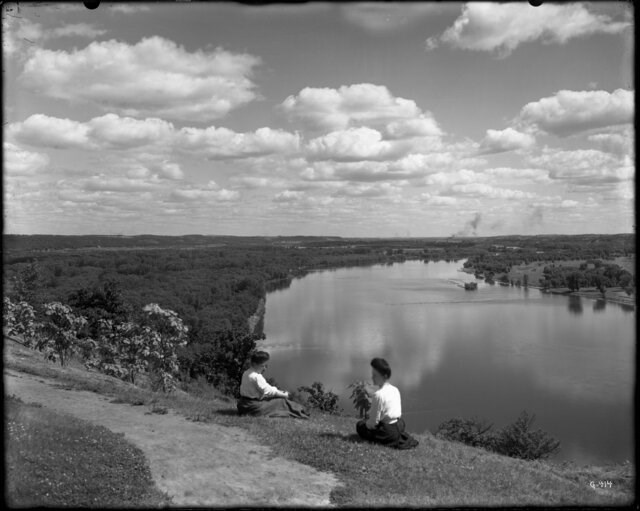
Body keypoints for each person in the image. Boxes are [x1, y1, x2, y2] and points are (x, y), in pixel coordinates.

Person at [356, 358, 419, 449]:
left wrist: (365, 424)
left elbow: (373, 422)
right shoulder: (395, 389)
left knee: (360, 425)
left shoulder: (378, 395)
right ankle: (396, 435)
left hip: (386, 431)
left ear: (384, 376)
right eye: (373, 375)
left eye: (375, 375)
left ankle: (388, 437)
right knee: (399, 424)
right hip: (398, 425)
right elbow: (398, 415)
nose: (372, 378)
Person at [237, 350, 309, 419]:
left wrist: (277, 391)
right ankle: (303, 411)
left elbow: (265, 389)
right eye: (263, 366)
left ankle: (301, 411)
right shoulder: (256, 376)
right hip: (252, 407)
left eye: (266, 366)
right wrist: (284, 395)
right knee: (282, 402)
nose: (265, 368)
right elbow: (269, 391)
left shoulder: (246, 373)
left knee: (273, 401)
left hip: (242, 406)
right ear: (254, 364)